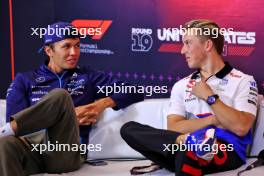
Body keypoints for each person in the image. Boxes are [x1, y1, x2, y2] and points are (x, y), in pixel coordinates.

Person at [0, 21, 144, 176]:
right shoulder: (25, 79)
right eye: (67, 46)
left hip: (65, 152)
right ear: (49, 51)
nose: (74, 52)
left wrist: (100, 105)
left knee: (61, 96)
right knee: (5, 143)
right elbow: (14, 123)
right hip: (32, 149)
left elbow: (135, 90)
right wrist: (62, 117)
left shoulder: (88, 76)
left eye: (77, 45)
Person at [121, 19, 258, 175]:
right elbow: (173, 128)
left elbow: (240, 127)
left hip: (226, 149)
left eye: (188, 43)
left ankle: (191, 146)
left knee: (188, 153)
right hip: (184, 144)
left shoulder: (244, 80)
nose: (182, 50)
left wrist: (210, 97)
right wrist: (213, 120)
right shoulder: (182, 85)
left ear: (207, 45)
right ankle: (190, 143)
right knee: (129, 129)